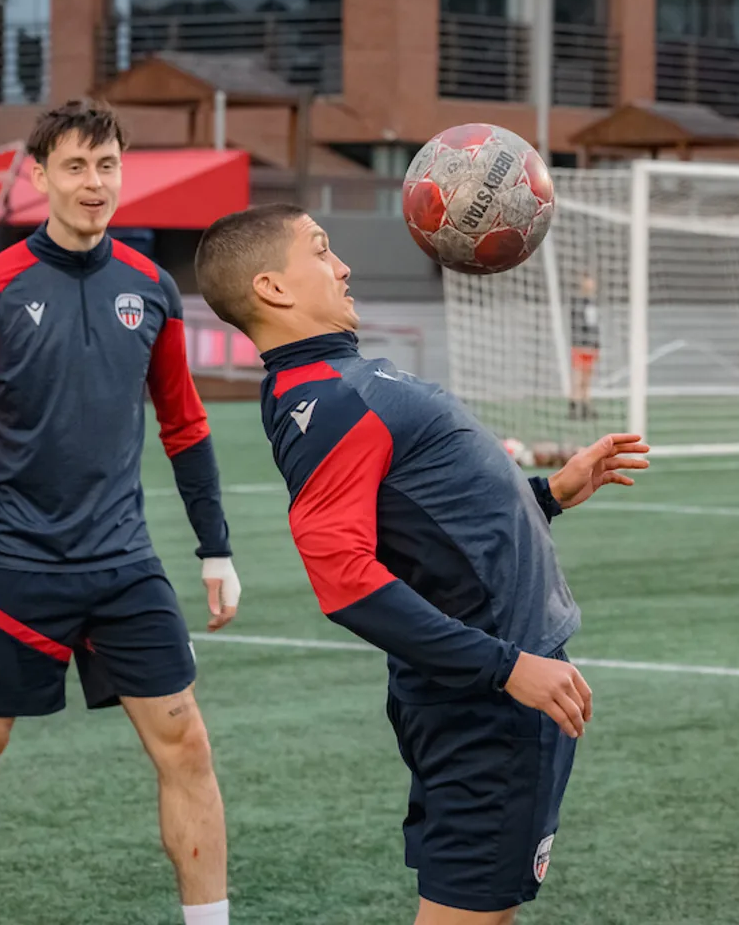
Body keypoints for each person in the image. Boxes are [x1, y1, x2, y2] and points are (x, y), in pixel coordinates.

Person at [192, 204, 650, 925]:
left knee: (484, 909)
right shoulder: (332, 400)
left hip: (486, 686)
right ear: (273, 288)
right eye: (321, 250)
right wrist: (507, 667)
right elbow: (345, 583)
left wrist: (547, 496)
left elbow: (422, 525)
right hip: (486, 702)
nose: (343, 266)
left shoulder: (333, 383)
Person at [0, 99, 241, 925]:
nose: (94, 183)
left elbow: (186, 425)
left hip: (125, 568)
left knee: (188, 748)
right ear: (40, 177)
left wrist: (215, 548)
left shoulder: (153, 289)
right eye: (76, 166)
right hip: (14, 570)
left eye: (107, 166)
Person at [567, 273, 600, 420]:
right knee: (578, 378)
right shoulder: (578, 303)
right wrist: (580, 343)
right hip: (580, 346)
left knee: (587, 378)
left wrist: (596, 345)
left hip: (591, 346)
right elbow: (577, 326)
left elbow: (594, 327)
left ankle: (586, 406)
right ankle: (574, 407)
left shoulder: (593, 304)